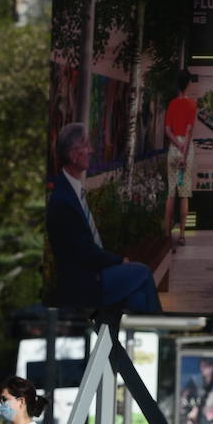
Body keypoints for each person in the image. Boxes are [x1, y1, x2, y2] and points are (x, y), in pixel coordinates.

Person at [46, 123, 161, 314]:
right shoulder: (63, 200)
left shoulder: (70, 190)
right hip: (85, 282)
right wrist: (119, 261)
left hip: (94, 273)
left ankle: (127, 337)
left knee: (138, 297)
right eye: (86, 146)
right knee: (143, 272)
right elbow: (86, 253)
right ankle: (156, 328)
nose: (91, 151)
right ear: (74, 155)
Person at [164, 69, 198, 249]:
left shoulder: (171, 104)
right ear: (188, 84)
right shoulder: (192, 105)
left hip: (173, 147)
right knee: (184, 195)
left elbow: (167, 130)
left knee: (171, 192)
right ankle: (182, 235)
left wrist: (176, 145)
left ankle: (166, 235)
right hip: (186, 148)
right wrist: (183, 153)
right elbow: (189, 131)